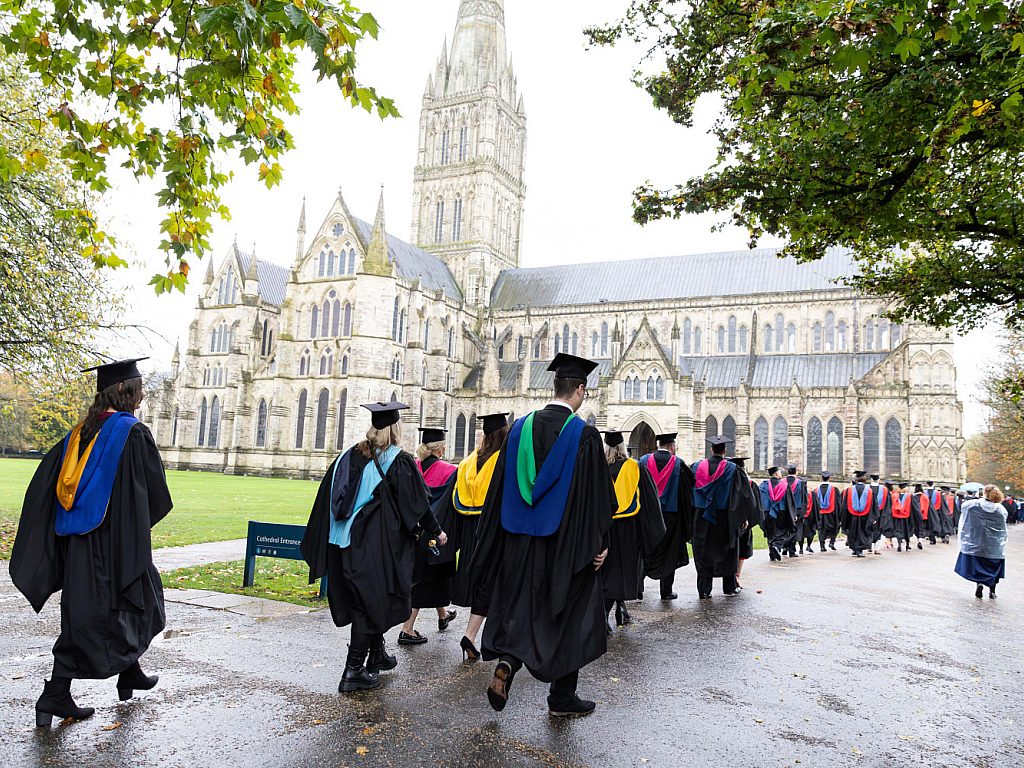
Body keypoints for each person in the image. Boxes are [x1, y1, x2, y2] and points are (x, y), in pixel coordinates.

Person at [10, 358, 172, 727]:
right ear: (125, 391)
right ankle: (54, 695)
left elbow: (47, 488)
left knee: (94, 611)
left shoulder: (81, 431)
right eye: (140, 388)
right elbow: (154, 494)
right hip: (114, 546)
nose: (143, 394)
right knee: (118, 607)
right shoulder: (131, 432)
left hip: (79, 547)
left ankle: (129, 672)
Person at [470, 353, 616, 717]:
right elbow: (597, 499)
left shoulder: (518, 428)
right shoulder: (583, 435)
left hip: (519, 542)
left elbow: (499, 490)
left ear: (554, 387)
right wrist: (599, 545)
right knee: (568, 615)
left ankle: (508, 662)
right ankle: (562, 697)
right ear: (579, 390)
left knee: (522, 606)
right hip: (565, 547)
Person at [301, 400, 447, 693]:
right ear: (395, 428)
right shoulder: (398, 459)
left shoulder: (348, 455)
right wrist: (436, 532)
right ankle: (353, 671)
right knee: (369, 605)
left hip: (340, 543)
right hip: (372, 547)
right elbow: (417, 503)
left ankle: (376, 655)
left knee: (368, 600)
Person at [444, 412, 510, 662]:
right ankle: (497, 641)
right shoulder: (503, 461)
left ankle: (470, 635)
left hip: (471, 536)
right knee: (499, 586)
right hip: (495, 533)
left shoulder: (468, 462)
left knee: (483, 586)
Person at [398, 428, 458, 646]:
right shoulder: (450, 471)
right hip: (434, 532)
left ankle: (443, 616)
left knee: (434, 576)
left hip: (410, 531)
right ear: (440, 448)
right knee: (424, 580)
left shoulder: (411, 467)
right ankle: (407, 628)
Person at [600, 429, 666, 630]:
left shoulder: (598, 468)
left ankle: (621, 611)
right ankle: (606, 616)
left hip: (603, 529)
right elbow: (649, 502)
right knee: (622, 573)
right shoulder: (635, 467)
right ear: (622, 446)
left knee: (606, 573)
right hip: (628, 530)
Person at [690, 436, 756, 598]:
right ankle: (729, 587)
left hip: (701, 517)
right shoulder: (733, 470)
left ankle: (704, 591)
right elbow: (744, 497)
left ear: (711, 450)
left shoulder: (696, 467)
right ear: (724, 451)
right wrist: (742, 518)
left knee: (703, 551)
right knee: (727, 550)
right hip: (726, 517)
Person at [641, 432, 695, 600]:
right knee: (669, 552)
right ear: (671, 447)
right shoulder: (679, 464)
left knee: (646, 549)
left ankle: (637, 588)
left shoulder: (643, 462)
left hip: (647, 515)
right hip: (671, 517)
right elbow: (687, 494)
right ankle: (666, 591)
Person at [955, 485, 1009, 599]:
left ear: (984, 492)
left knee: (979, 564)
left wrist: (976, 498)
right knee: (993, 567)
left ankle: (979, 584)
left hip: (977, 543)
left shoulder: (973, 505)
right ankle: (992, 591)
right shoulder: (1000, 510)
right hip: (994, 546)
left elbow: (963, 507)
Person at [732, 457, 762, 589]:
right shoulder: (751, 484)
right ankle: (737, 576)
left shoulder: (728, 484)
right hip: (745, 525)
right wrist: (747, 523)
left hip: (730, 526)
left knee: (730, 551)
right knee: (741, 552)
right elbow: (756, 509)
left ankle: (732, 577)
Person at [760, 466, 796, 561]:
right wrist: (792, 515)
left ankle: (772, 553)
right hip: (781, 513)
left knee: (770, 532)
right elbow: (789, 502)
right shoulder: (784, 485)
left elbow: (760, 499)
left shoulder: (763, 485)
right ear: (776, 473)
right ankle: (776, 547)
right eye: (780, 472)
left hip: (767, 513)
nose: (781, 474)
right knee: (782, 533)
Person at [841, 470, 873, 557]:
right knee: (862, 532)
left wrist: (844, 517)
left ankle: (855, 549)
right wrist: (873, 518)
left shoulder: (849, 490)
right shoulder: (869, 491)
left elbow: (845, 506)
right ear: (864, 479)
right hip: (865, 516)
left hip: (852, 516)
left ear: (856, 479)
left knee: (853, 532)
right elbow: (873, 505)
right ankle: (860, 550)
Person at [812, 472, 839, 551]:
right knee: (834, 527)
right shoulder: (834, 490)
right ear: (829, 478)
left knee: (821, 529)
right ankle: (832, 542)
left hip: (820, 514)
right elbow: (838, 504)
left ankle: (822, 546)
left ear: (821, 478)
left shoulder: (816, 490)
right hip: (832, 514)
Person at [786, 464, 810, 556]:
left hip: (785, 511)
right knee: (795, 530)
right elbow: (804, 499)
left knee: (786, 529)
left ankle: (785, 548)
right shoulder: (800, 483)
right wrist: (801, 513)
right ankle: (791, 551)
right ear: (795, 472)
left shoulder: (782, 482)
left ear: (788, 472)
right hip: (797, 511)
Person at [868, 474, 892, 554]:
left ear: (871, 480)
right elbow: (888, 505)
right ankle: (877, 548)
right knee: (878, 531)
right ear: (878, 480)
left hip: (868, 514)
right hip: (881, 514)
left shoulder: (866, 489)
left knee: (868, 529)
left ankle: (869, 547)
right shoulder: (885, 490)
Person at [889, 482, 914, 552]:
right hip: (906, 517)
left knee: (898, 530)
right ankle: (907, 545)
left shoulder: (894, 496)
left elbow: (891, 505)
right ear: (904, 488)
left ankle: (899, 545)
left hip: (897, 517)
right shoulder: (909, 496)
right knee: (907, 531)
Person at [911, 483, 934, 547]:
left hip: (915, 516)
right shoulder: (925, 496)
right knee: (921, 528)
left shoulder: (913, 496)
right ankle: (920, 541)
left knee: (916, 528)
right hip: (923, 516)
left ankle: (919, 539)